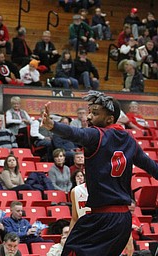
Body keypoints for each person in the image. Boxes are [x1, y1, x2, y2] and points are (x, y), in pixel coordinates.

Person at [41, 90, 158, 255]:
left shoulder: (97, 135)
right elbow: (153, 168)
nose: (89, 117)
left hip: (103, 218)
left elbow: (76, 134)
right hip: (123, 220)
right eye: (89, 112)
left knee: (70, 252)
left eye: (95, 114)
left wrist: (53, 125)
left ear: (109, 119)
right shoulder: (129, 140)